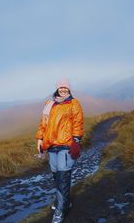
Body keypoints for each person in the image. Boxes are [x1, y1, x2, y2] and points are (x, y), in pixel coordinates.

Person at [35, 78, 84, 223]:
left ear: (69, 90)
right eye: (61, 88)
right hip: (51, 146)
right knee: (57, 176)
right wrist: (39, 138)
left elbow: (78, 122)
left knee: (63, 176)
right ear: (57, 89)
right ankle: (65, 201)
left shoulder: (73, 103)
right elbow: (43, 123)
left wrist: (76, 140)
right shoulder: (49, 104)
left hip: (66, 145)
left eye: (66, 88)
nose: (63, 90)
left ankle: (60, 210)